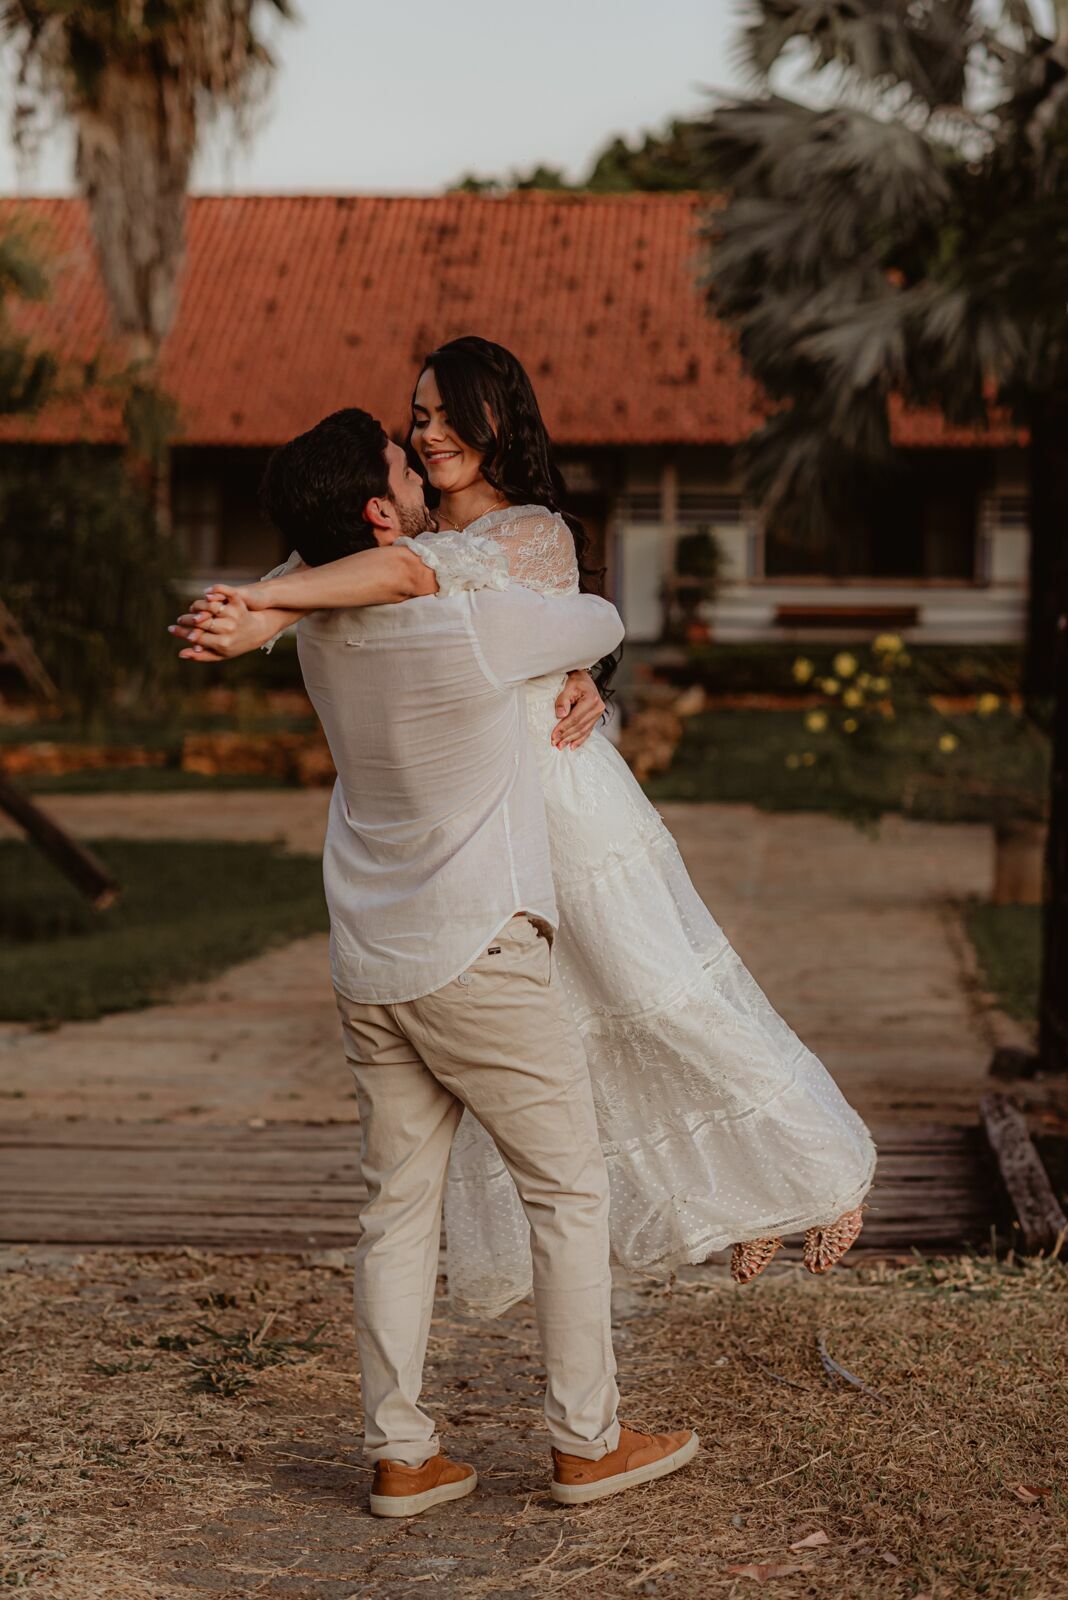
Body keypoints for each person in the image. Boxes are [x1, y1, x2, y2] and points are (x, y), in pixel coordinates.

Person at [177, 336, 877, 1312]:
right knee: (579, 1038)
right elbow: (332, 567)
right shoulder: (388, 528)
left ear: (498, 419)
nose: (430, 434)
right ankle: (725, 1199)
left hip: (565, 793)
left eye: (448, 414)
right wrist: (261, 615)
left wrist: (269, 603)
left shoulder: (530, 531)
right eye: (417, 418)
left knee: (662, 995)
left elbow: (405, 581)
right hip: (484, 818)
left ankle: (820, 1168)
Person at [171, 406, 699, 1517]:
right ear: (382, 516)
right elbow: (595, 612)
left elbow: (342, 575)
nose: (423, 476)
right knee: (567, 1186)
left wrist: (264, 600)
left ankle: (401, 1453)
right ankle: (586, 1440)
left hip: (370, 957)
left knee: (393, 1209)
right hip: (479, 949)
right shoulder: (475, 624)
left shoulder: (316, 630)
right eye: (406, 470)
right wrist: (573, 658)